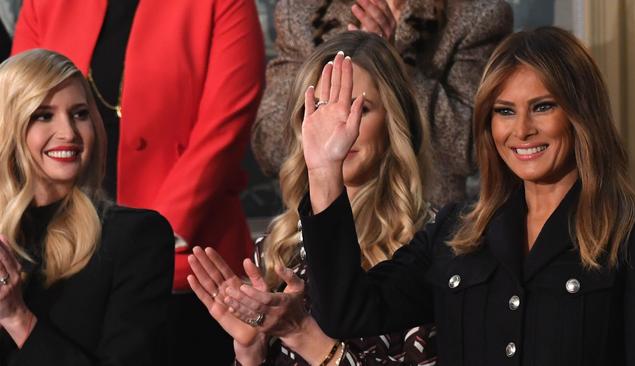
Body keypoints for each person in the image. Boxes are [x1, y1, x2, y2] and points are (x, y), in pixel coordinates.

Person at [297, 26, 635, 365]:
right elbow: (348, 313)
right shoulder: (455, 233)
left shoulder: (634, 231)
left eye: (543, 106)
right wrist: (325, 170)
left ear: (581, 115)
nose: (522, 130)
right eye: (505, 111)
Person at [11, 1, 266, 363]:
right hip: (48, 245)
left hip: (192, 261)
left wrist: (154, 242)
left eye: (79, 115)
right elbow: (16, 105)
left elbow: (227, 120)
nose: (66, 129)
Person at [188, 31, 439, 365]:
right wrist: (250, 351)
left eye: (358, 109)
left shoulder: (428, 246)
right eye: (320, 109)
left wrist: (303, 335)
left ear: (395, 121)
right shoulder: (280, 245)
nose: (338, 128)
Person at [0, 49, 174, 365]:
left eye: (80, 114)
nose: (69, 133)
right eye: (43, 115)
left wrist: (16, 317)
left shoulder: (134, 237)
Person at [252, 0, 513, 207]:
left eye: (361, 109)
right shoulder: (300, 12)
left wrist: (391, 63)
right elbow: (272, 149)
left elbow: (470, 149)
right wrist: (343, 61)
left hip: (420, 228)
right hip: (318, 221)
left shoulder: (478, 14)